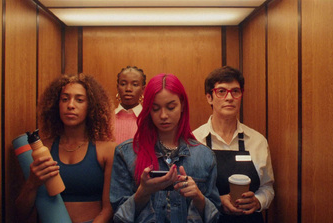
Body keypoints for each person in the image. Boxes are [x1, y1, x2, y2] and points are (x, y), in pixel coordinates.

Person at [110, 73, 221, 223]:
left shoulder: (204, 156)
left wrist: (198, 197)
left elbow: (216, 216)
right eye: (155, 108)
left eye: (171, 107)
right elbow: (118, 217)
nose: (163, 115)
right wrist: (142, 193)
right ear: (148, 110)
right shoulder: (127, 153)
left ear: (182, 105)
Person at [15, 73, 116, 223]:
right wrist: (32, 183)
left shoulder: (107, 150)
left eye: (79, 100)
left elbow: (109, 209)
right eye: (64, 99)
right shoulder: (42, 149)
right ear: (57, 105)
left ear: (91, 106)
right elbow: (20, 214)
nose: (70, 105)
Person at [193, 66, 274, 223]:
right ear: (209, 97)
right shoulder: (194, 140)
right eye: (221, 91)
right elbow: (185, 194)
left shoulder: (258, 141)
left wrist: (258, 201)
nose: (229, 97)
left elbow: (267, 188)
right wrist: (216, 201)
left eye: (235, 91)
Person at [114, 66, 146, 144]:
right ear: (118, 87)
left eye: (135, 85)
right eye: (123, 84)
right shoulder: (106, 119)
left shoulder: (148, 119)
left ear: (142, 89)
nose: (128, 89)